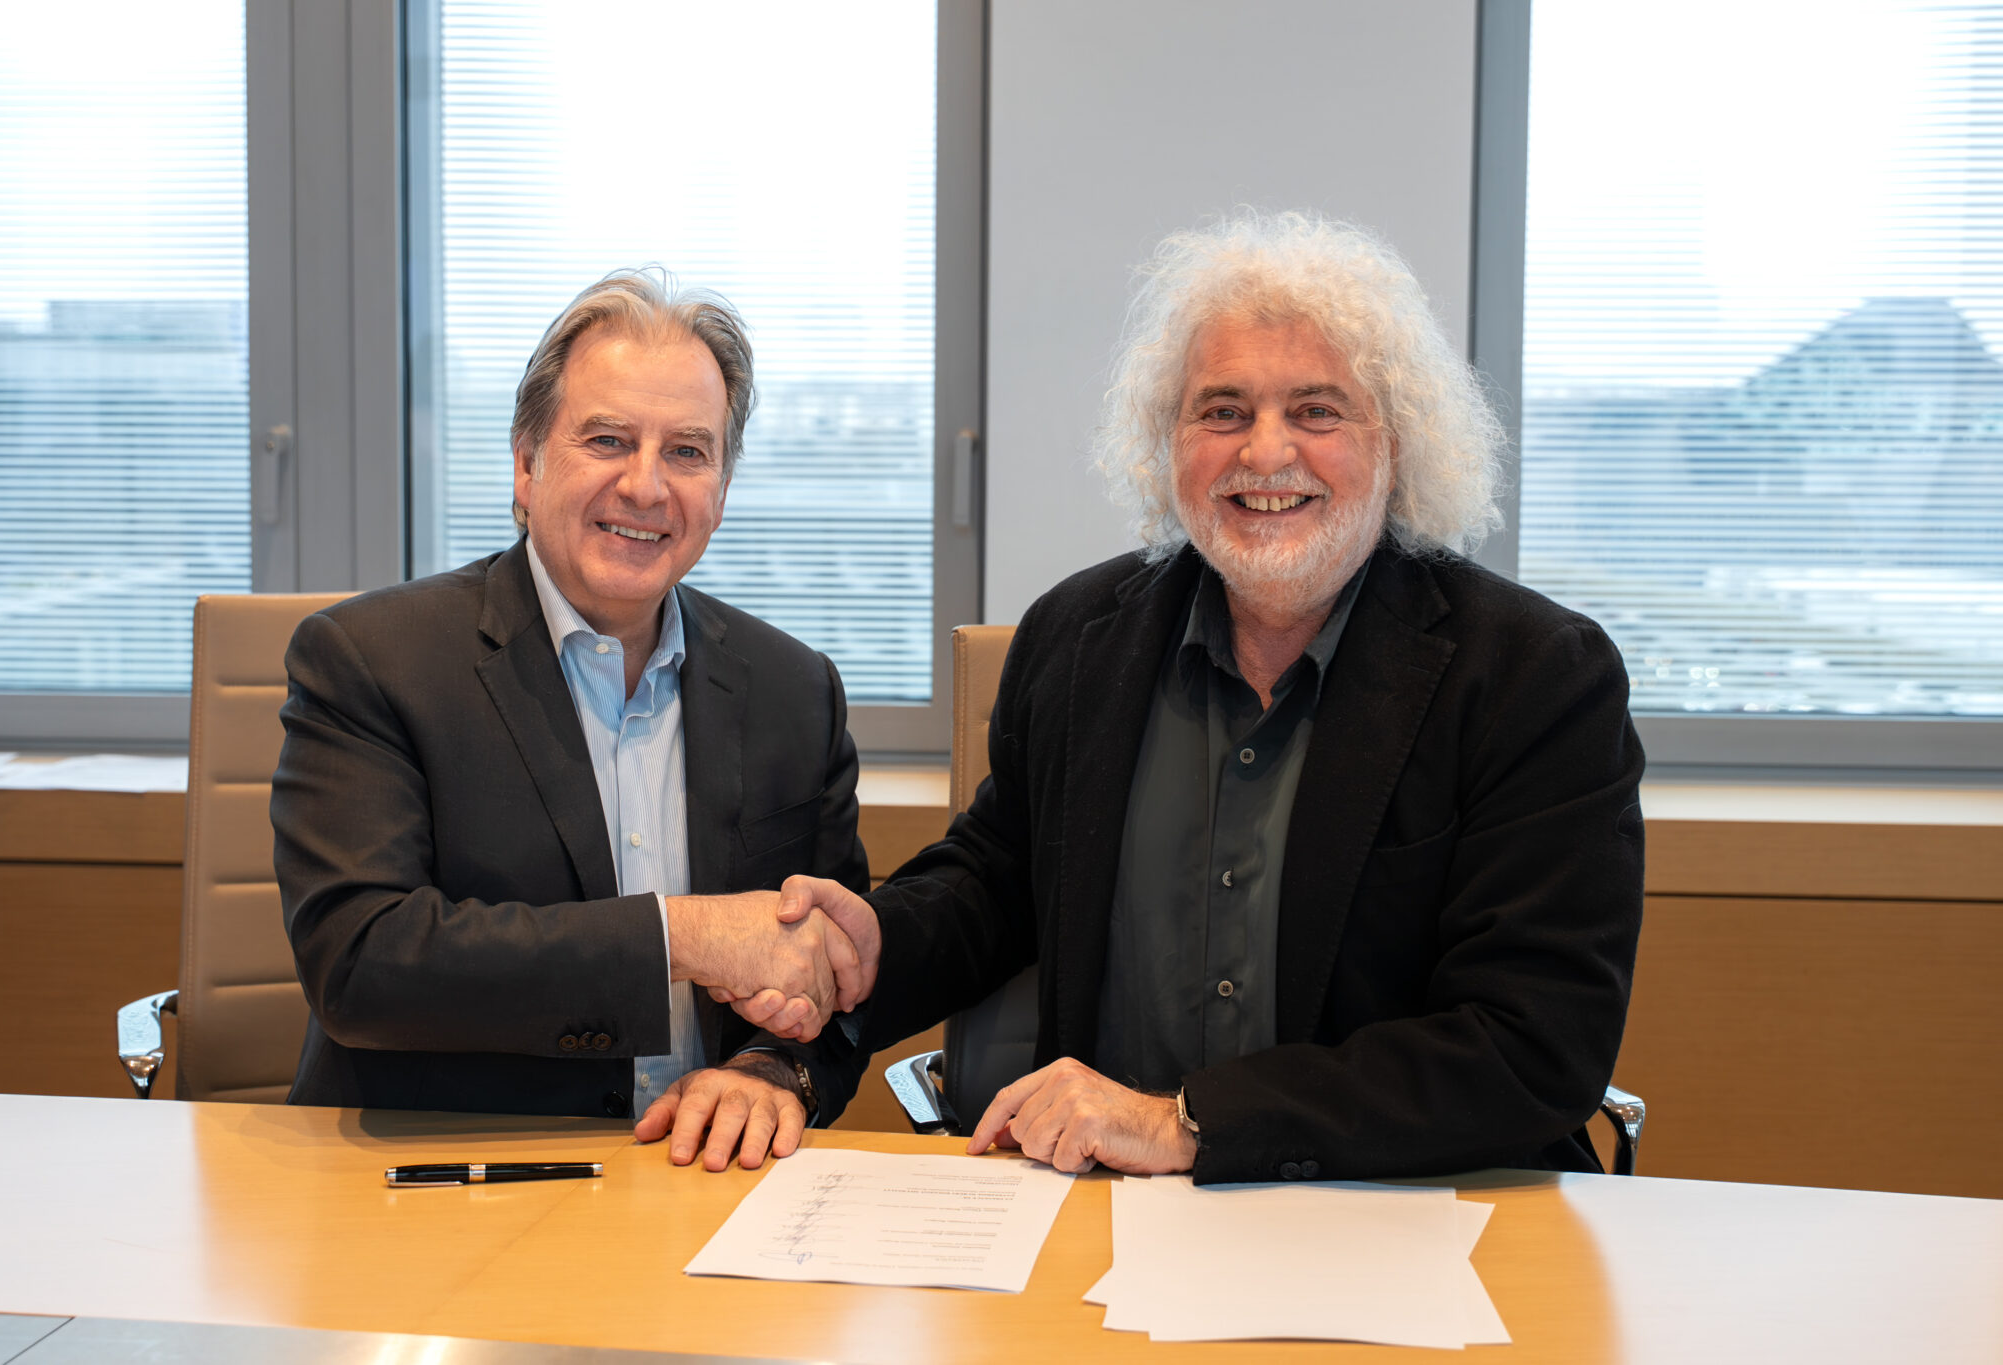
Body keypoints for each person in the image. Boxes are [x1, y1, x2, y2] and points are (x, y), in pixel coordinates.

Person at [743, 212, 1645, 1184]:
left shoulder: (1534, 675)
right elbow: (999, 881)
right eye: (1222, 411)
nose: (1264, 453)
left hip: (1418, 1212)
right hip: (1107, 1210)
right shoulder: (1077, 636)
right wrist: (877, 944)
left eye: (1316, 411)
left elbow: (1532, 1042)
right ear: (1167, 442)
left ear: (1396, 442)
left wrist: (1188, 1121)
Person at [272, 269, 870, 1170]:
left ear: (721, 489)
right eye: (607, 439)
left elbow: (834, 978)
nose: (646, 485)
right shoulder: (371, 660)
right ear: (527, 463)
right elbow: (363, 962)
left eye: (688, 452)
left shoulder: (795, 689)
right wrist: (687, 935)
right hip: (445, 1184)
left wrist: (772, 1069)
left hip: (705, 1183)